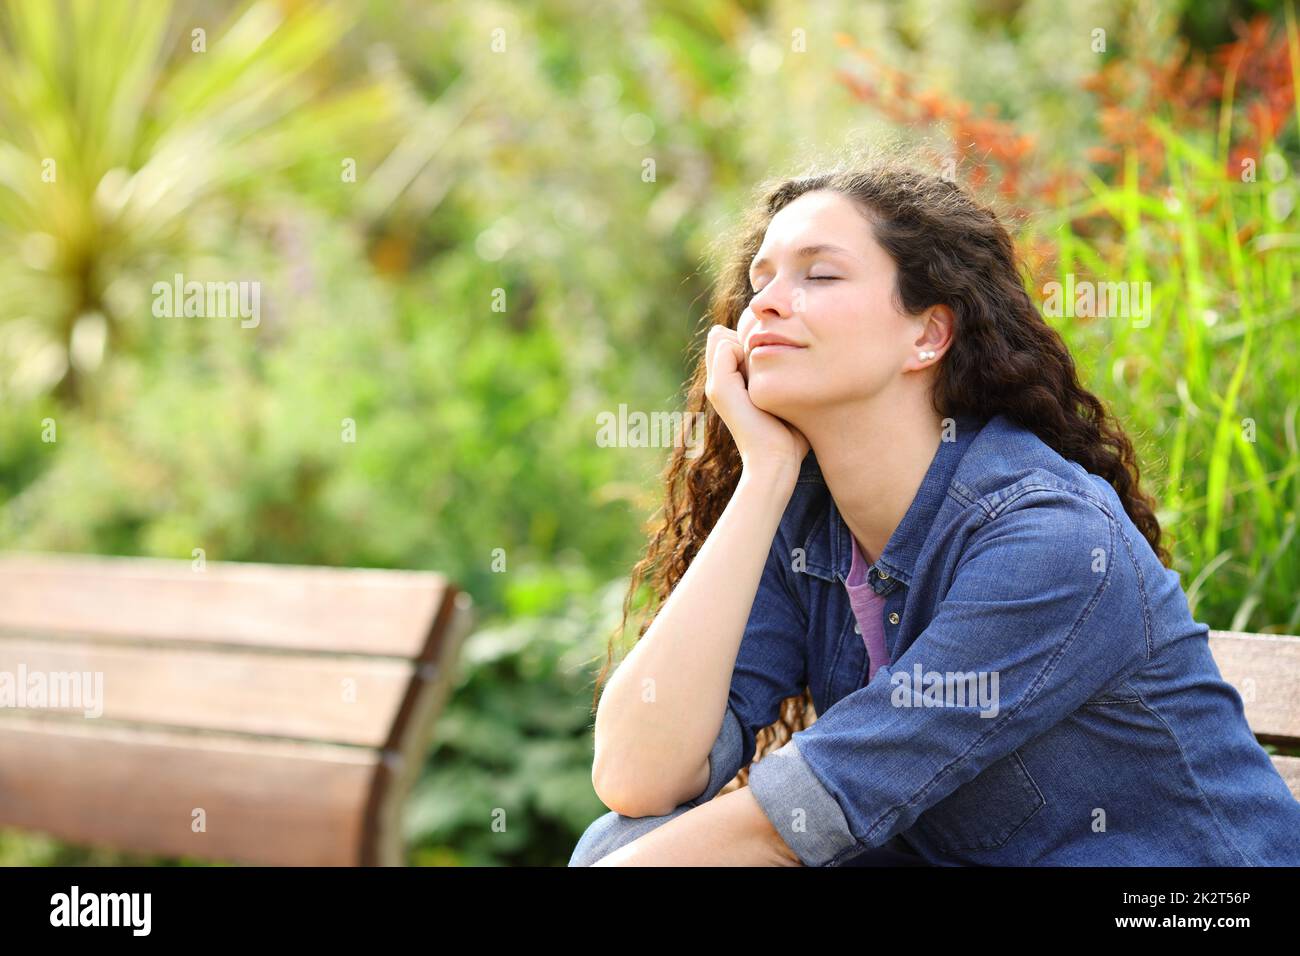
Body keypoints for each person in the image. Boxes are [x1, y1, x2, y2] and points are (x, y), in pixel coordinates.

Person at [570, 152, 1300, 867]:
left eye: (818, 275)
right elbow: (639, 775)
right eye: (760, 280)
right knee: (619, 841)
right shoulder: (804, 519)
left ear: (928, 334)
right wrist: (763, 478)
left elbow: (791, 824)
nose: (763, 302)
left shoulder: (1049, 538)